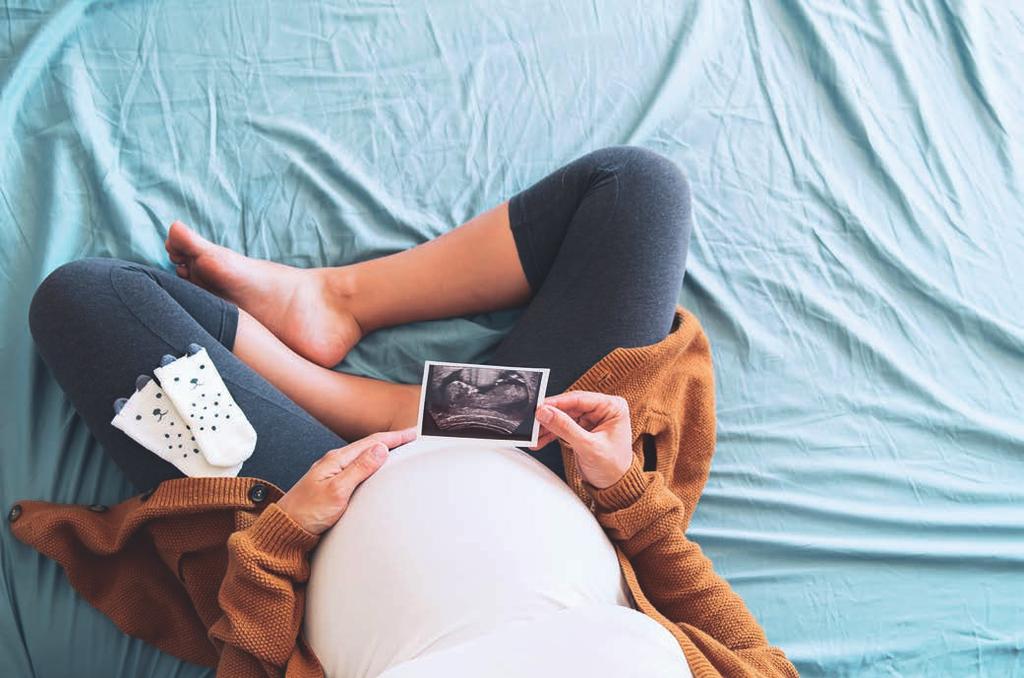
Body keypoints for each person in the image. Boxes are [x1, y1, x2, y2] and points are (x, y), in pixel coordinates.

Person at [14, 146, 798, 677]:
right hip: (549, 456)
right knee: (637, 190)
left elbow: (248, 658)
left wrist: (288, 535)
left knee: (88, 299)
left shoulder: (297, 523)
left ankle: (379, 403)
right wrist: (625, 489)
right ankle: (342, 307)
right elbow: (734, 643)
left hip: (304, 507)